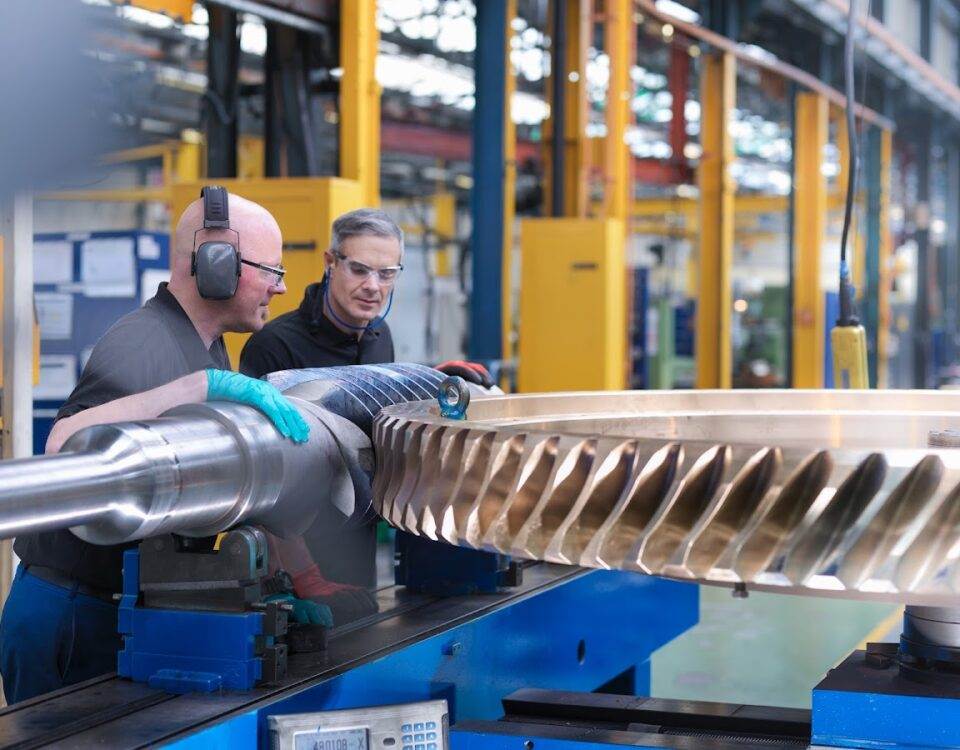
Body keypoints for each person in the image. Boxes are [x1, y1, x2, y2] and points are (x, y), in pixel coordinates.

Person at [0, 188, 311, 704]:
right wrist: (197, 390)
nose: (280, 288)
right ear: (217, 265)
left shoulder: (206, 346)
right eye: (271, 270)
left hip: (115, 607)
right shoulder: (142, 341)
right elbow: (61, 447)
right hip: (71, 613)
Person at [239, 208, 493, 626]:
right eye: (359, 269)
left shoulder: (379, 337)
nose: (373, 287)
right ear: (330, 263)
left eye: (387, 273)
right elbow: (260, 473)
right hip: (294, 570)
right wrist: (304, 578)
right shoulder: (275, 347)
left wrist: (429, 384)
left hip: (356, 545)